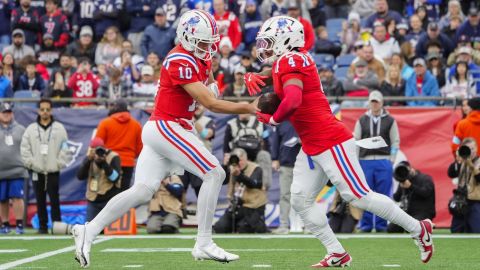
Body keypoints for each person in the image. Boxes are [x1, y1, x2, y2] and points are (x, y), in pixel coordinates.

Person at [72, 10, 257, 268]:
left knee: (143, 190)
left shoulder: (199, 56)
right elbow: (210, 102)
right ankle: (204, 242)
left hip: (172, 127)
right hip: (167, 126)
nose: (209, 47)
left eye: (210, 42)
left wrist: (245, 81)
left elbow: (209, 87)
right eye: (204, 42)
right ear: (188, 38)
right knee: (215, 173)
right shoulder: (179, 59)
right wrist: (248, 107)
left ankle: (88, 230)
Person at [245, 15, 433, 267]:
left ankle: (418, 228)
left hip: (329, 140)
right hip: (312, 144)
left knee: (359, 196)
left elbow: (292, 99)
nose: (264, 48)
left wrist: (273, 120)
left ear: (286, 41)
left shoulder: (292, 59)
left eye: (270, 42)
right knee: (300, 199)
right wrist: (259, 76)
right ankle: (336, 251)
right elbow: (281, 74)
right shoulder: (289, 61)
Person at [20, 99, 69, 234]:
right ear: (38, 111)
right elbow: (25, 148)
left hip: (53, 170)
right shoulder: (31, 129)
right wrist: (31, 164)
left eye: (47, 109)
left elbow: (65, 147)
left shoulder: (59, 128)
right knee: (39, 199)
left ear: (51, 111)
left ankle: (57, 226)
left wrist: (59, 163)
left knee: (55, 199)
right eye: (42, 109)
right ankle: (42, 227)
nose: (45, 112)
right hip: (37, 170)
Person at [354, 90, 400, 232]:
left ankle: (381, 225)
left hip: (383, 161)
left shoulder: (390, 120)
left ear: (381, 103)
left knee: (383, 195)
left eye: (377, 102)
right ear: (369, 103)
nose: (374, 104)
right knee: (366, 194)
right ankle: (366, 225)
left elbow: (395, 141)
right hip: (365, 161)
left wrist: (391, 161)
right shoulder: (362, 120)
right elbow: (356, 141)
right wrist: (356, 162)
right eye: (372, 102)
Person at [213, 148, 267, 233]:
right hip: (236, 207)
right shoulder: (232, 168)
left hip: (253, 207)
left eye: (241, 160)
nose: (239, 163)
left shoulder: (256, 168)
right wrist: (224, 165)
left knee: (243, 229)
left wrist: (239, 175)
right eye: (237, 160)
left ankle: (257, 225)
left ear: (246, 158)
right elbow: (221, 181)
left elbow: (253, 184)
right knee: (219, 228)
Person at [95, 99, 142, 191]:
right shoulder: (136, 125)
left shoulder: (105, 123)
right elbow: (139, 149)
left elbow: (97, 145)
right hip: (128, 163)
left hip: (110, 162)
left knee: (107, 193)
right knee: (123, 195)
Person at [76, 137, 121, 222]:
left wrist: (104, 163)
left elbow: (115, 178)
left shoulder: (113, 157)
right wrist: (88, 161)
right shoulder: (89, 158)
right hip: (93, 200)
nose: (98, 153)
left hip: (108, 200)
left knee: (107, 231)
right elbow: (80, 176)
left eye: (100, 150)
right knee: (89, 228)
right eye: (95, 150)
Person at [0, 103, 27, 234]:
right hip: (0, 171)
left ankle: (19, 224)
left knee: (17, 197)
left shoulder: (21, 129)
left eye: (9, 112)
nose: (6, 114)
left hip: (17, 169)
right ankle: (5, 224)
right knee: (2, 199)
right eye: (4, 112)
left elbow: (28, 147)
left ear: (12, 114)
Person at [270, 120, 301, 234]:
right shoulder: (281, 122)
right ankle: (283, 225)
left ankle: (310, 226)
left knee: (306, 196)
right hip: (286, 163)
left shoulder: (306, 118)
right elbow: (275, 141)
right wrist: (274, 158)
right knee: (285, 195)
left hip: (304, 164)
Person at [388, 161, 436, 233]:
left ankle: (427, 224)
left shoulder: (425, 178)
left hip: (423, 212)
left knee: (412, 229)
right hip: (408, 213)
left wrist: (411, 186)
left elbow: (426, 193)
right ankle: (422, 225)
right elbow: (397, 198)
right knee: (391, 229)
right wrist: (400, 183)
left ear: (411, 169)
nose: (404, 173)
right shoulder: (403, 180)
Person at [180, 105, 216, 197]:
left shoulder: (208, 121)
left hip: (200, 162)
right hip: (183, 160)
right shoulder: (182, 120)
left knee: (201, 190)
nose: (197, 107)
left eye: (199, 105)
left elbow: (206, 134)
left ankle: (203, 211)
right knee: (180, 189)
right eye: (195, 105)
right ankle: (181, 211)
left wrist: (192, 120)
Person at [447, 137, 480, 233]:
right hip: (460, 200)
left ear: (477, 148)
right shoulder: (462, 161)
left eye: (472, 148)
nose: (471, 151)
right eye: (468, 149)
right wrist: (457, 161)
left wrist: (471, 166)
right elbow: (451, 173)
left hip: (475, 201)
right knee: (456, 230)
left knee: (476, 231)